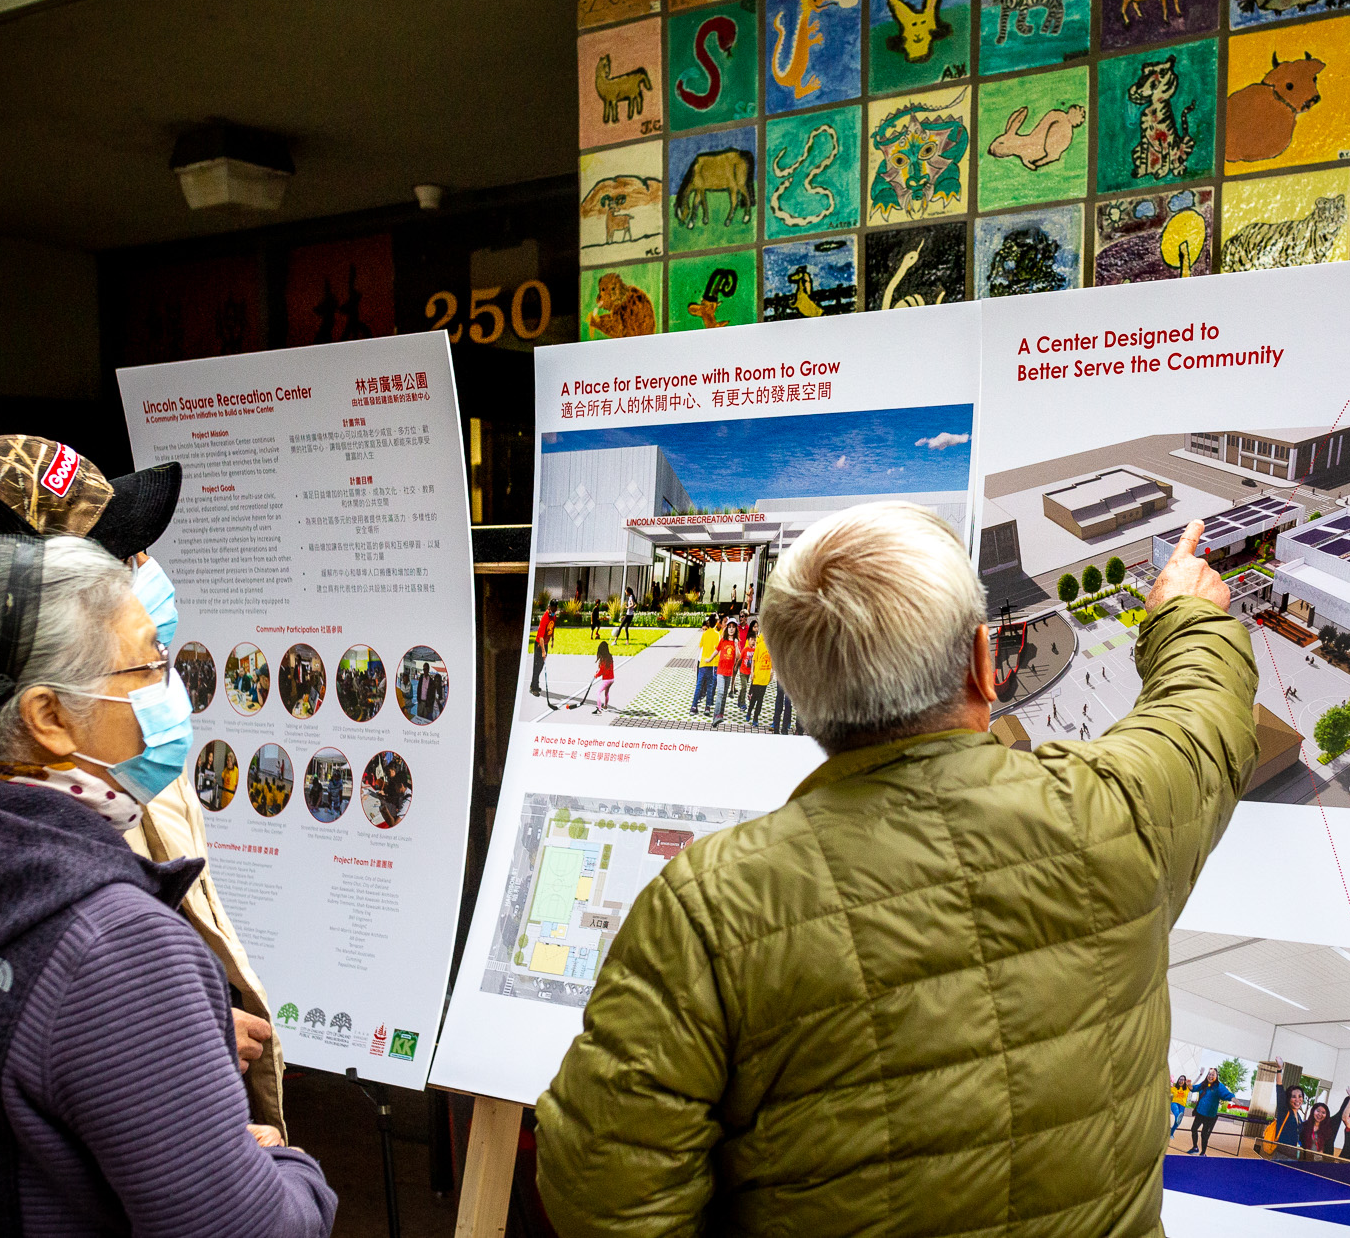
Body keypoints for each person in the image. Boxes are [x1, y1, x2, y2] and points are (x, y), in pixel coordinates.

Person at [536, 508, 1255, 1234]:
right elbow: (1200, 718)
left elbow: (606, 1192)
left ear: (798, 689)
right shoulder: (1113, 815)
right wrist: (1185, 611)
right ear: (983, 661)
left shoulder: (710, 906)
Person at [0, 534, 336, 1234]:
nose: (171, 688)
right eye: (151, 663)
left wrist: (178, 1054)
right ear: (49, 718)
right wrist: (285, 1166)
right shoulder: (112, 938)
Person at [0, 435, 287, 1138]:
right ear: (11, 589)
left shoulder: (112, 721)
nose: (145, 572)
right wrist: (168, 1044)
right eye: (112, 557)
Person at [1187, 1068, 1234, 1156]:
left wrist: (1233, 1098)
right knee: (1193, 1129)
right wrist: (1189, 1084)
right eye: (1209, 1074)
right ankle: (1195, 1147)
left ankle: (1203, 1153)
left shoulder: (1219, 1086)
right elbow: (1193, 1088)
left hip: (1210, 1116)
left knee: (1204, 1134)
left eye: (1213, 1075)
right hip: (1200, 1113)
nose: (1210, 1076)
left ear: (1216, 1076)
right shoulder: (1204, 1084)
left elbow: (1225, 1094)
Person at [710, 621, 740, 727]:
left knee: (724, 694)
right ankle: (716, 715)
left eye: (733, 627)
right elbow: (717, 650)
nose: (731, 629)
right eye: (729, 627)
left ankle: (720, 715)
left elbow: (738, 656)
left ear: (736, 629)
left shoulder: (735, 642)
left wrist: (736, 645)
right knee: (721, 692)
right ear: (727, 628)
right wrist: (709, 659)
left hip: (729, 672)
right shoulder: (723, 640)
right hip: (721, 671)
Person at [691, 616, 721, 716]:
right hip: (712, 665)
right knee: (710, 686)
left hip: (702, 664)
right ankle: (707, 707)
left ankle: (694, 706)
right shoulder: (717, 635)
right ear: (716, 622)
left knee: (699, 685)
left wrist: (696, 661)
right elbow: (717, 650)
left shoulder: (705, 633)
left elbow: (700, 648)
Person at [1271, 1082, 1309, 1159]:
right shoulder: (1284, 1112)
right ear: (1288, 1098)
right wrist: (1279, 1071)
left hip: (1293, 1156)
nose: (1297, 1099)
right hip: (1281, 1155)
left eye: (1300, 1096)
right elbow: (1280, 1090)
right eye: (1294, 1097)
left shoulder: (1299, 1117)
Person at [747, 631, 773, 726]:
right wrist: (752, 672)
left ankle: (756, 717)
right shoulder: (759, 646)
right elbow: (753, 660)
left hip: (765, 678)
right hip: (757, 677)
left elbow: (773, 662)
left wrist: (772, 673)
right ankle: (749, 711)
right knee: (754, 698)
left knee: (760, 699)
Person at [530, 603, 556, 698]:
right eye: (553, 609)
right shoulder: (545, 618)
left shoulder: (554, 616)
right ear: (549, 607)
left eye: (555, 609)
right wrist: (543, 651)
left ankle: (534, 683)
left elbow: (552, 628)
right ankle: (534, 688)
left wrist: (552, 640)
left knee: (540, 666)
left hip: (546, 643)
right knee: (537, 667)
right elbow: (540, 637)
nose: (554, 611)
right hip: (539, 645)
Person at [593, 641, 616, 715]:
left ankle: (599, 709)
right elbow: (606, 668)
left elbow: (602, 671)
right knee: (606, 692)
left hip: (606, 680)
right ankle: (605, 706)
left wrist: (596, 675)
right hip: (612, 679)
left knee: (598, 692)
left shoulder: (604, 659)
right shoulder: (610, 657)